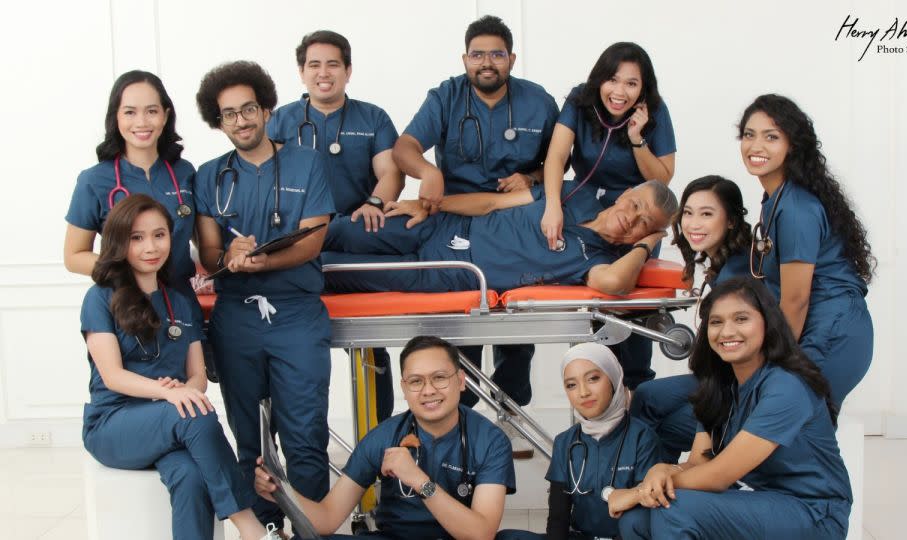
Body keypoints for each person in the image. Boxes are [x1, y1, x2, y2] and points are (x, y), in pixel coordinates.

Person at [80, 195, 280, 540]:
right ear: (119, 242)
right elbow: (112, 376)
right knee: (192, 413)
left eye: (159, 235)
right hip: (115, 423)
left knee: (190, 475)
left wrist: (184, 391)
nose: (150, 247)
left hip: (172, 422)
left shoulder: (181, 299)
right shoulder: (100, 297)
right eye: (137, 238)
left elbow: (198, 376)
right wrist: (166, 393)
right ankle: (252, 530)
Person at [393, 15, 560, 426]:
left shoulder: (538, 100)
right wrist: (427, 172)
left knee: (515, 327)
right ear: (465, 58)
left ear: (512, 59)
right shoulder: (447, 96)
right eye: (478, 54)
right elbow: (405, 146)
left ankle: (510, 416)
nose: (487, 62)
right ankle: (459, 421)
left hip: (514, 220)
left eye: (497, 54)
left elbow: (559, 160)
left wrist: (533, 176)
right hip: (456, 215)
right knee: (461, 323)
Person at [193, 60, 335, 534]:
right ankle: (270, 526)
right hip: (237, 319)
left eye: (248, 109)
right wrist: (228, 253)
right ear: (219, 122)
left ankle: (310, 526)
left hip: (297, 315)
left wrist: (262, 263)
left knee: (305, 435)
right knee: (248, 437)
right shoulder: (210, 176)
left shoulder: (306, 161)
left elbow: (312, 240)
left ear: (267, 108)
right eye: (228, 114)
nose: (241, 120)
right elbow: (210, 251)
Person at [618, 277, 852, 539]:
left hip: (815, 513)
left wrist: (641, 491)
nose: (727, 332)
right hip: (761, 500)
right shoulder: (719, 386)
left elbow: (719, 476)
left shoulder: (787, 387)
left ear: (767, 323)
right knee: (636, 519)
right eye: (716, 322)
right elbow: (698, 462)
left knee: (675, 507)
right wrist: (659, 470)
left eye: (741, 319)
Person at [254, 336, 516, 539]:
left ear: (461, 381)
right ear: (404, 388)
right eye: (416, 381)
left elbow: (481, 534)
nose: (428, 390)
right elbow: (327, 518)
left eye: (439, 378)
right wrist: (281, 493)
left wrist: (418, 479)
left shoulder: (490, 440)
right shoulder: (384, 437)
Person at [268, 29, 403, 421]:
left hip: (356, 237)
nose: (323, 73)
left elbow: (389, 172)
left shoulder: (373, 117)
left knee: (371, 345)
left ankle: (378, 434)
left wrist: (375, 201)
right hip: (300, 241)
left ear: (347, 70)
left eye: (332, 64)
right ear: (301, 72)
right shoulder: (281, 121)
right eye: (314, 65)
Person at [540, 42, 677, 390]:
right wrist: (553, 205)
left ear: (643, 90)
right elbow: (557, 156)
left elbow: (662, 179)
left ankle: (636, 394)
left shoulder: (655, 114)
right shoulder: (580, 100)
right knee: (591, 305)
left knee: (630, 313)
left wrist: (636, 139)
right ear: (600, 79)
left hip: (636, 216)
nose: (619, 92)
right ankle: (593, 389)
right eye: (613, 80)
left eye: (631, 84)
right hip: (587, 208)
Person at [739, 93, 875, 407]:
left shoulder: (797, 209)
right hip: (818, 324)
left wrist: (772, 361)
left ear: (793, 146)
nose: (755, 146)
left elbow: (796, 299)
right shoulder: (776, 199)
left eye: (771, 137)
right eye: (749, 135)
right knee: (797, 430)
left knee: (799, 427)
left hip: (833, 332)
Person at [322, 180, 676, 297]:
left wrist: (649, 243)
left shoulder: (597, 260)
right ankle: (271, 245)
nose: (630, 217)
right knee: (338, 228)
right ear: (625, 192)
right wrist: (429, 204)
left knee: (330, 269)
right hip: (439, 226)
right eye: (635, 204)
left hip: (444, 271)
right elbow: (492, 202)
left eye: (643, 223)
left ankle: (272, 271)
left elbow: (614, 283)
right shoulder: (571, 194)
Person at [631, 175, 753, 462]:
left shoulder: (736, 278)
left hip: (734, 383)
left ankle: (645, 484)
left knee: (664, 424)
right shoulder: (725, 263)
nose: (694, 224)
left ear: (731, 221)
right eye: (688, 213)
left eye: (707, 214)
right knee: (647, 395)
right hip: (717, 374)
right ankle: (642, 479)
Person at [497, 343, 661, 540]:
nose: (583, 393)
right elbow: (558, 519)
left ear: (614, 379)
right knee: (507, 538)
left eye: (593, 378)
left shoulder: (643, 437)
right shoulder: (565, 442)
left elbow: (645, 515)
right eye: (571, 385)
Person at [65, 70, 197, 293]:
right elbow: (73, 256)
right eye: (129, 112)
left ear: (165, 116)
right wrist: (129, 272)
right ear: (116, 117)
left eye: (152, 111)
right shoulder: (93, 180)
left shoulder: (185, 172)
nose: (142, 122)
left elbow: (204, 245)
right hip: (127, 303)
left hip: (181, 304)